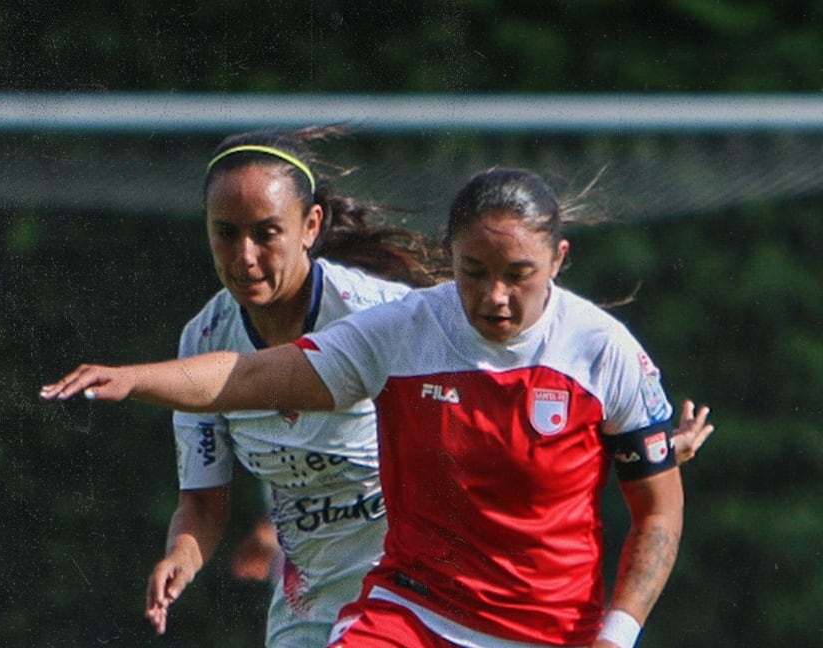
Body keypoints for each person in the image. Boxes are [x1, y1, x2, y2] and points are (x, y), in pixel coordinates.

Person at [42, 166, 713, 648]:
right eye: (473, 272)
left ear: (558, 260)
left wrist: (616, 635)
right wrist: (133, 379)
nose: (495, 298)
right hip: (410, 611)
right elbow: (252, 377)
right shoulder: (404, 329)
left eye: (518, 275)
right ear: (449, 257)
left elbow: (658, 510)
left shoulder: (603, 351)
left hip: (547, 627)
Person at [138, 126, 444, 647]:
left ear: (310, 225)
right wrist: (181, 558)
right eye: (226, 233)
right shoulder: (205, 337)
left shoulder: (382, 315)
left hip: (409, 584)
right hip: (307, 598)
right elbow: (203, 503)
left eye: (266, 233)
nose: (245, 257)